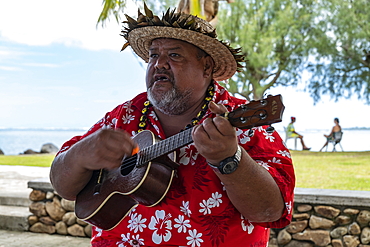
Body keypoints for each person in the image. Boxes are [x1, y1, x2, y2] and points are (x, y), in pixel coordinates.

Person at [50, 6, 295, 247]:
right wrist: (81, 154)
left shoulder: (239, 120)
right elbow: (62, 184)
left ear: (206, 68)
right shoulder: (123, 115)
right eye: (154, 55)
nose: (159, 64)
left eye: (174, 55)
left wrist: (229, 160)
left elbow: (271, 211)